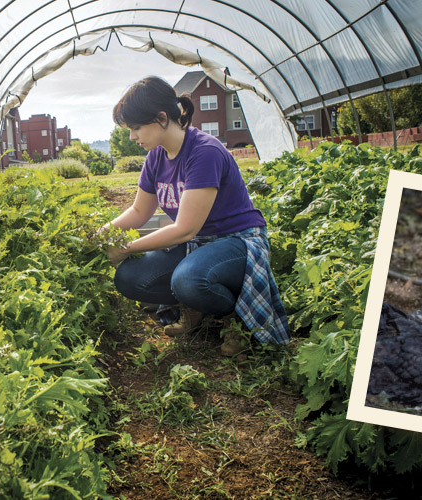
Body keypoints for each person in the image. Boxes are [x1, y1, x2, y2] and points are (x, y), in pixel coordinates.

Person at [102, 76, 289, 356]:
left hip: (237, 242)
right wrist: (101, 234)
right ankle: (197, 308)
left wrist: (127, 248)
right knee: (129, 277)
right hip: (198, 244)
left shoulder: (204, 152)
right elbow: (140, 211)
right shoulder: (156, 157)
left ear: (162, 118)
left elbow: (185, 228)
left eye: (136, 128)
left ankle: (236, 318)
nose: (132, 137)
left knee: (188, 280)